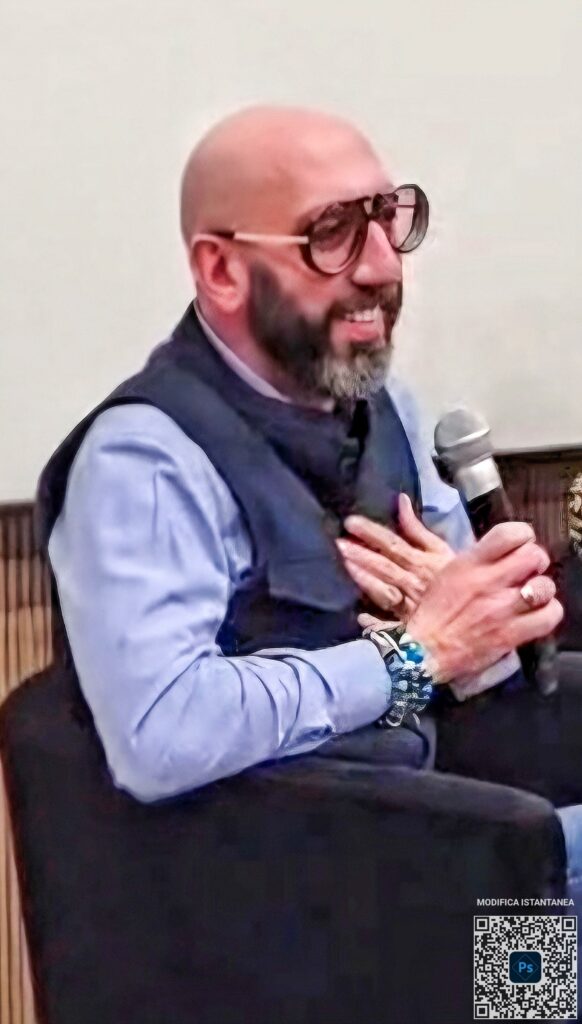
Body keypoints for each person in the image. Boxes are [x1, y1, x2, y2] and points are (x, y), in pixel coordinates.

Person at [38, 108, 582, 909]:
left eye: (388, 219)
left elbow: (474, 657)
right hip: (278, 911)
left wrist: (487, 627)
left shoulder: (388, 409)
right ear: (222, 270)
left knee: (529, 880)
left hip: (442, 849)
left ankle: (527, 976)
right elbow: (161, 732)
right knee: (537, 898)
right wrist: (411, 656)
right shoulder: (144, 463)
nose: (382, 266)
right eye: (333, 233)